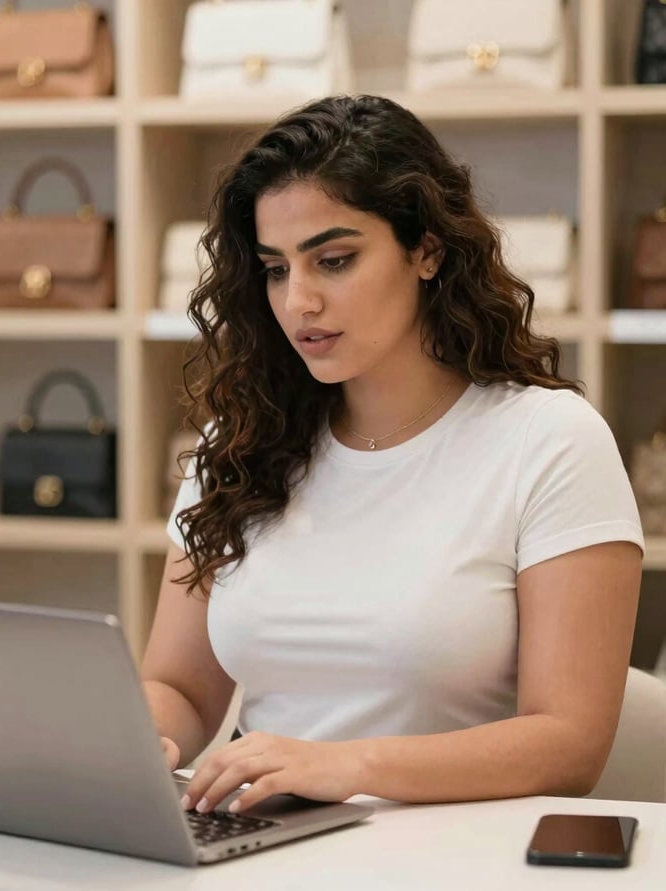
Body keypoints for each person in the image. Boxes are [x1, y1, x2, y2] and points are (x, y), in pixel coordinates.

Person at [139, 94, 644, 817]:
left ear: (428, 250)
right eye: (276, 269)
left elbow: (569, 745)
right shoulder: (239, 444)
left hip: (457, 854)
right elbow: (182, 689)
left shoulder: (550, 441)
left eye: (334, 260)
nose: (299, 301)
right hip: (269, 847)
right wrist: (139, 739)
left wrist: (344, 765)